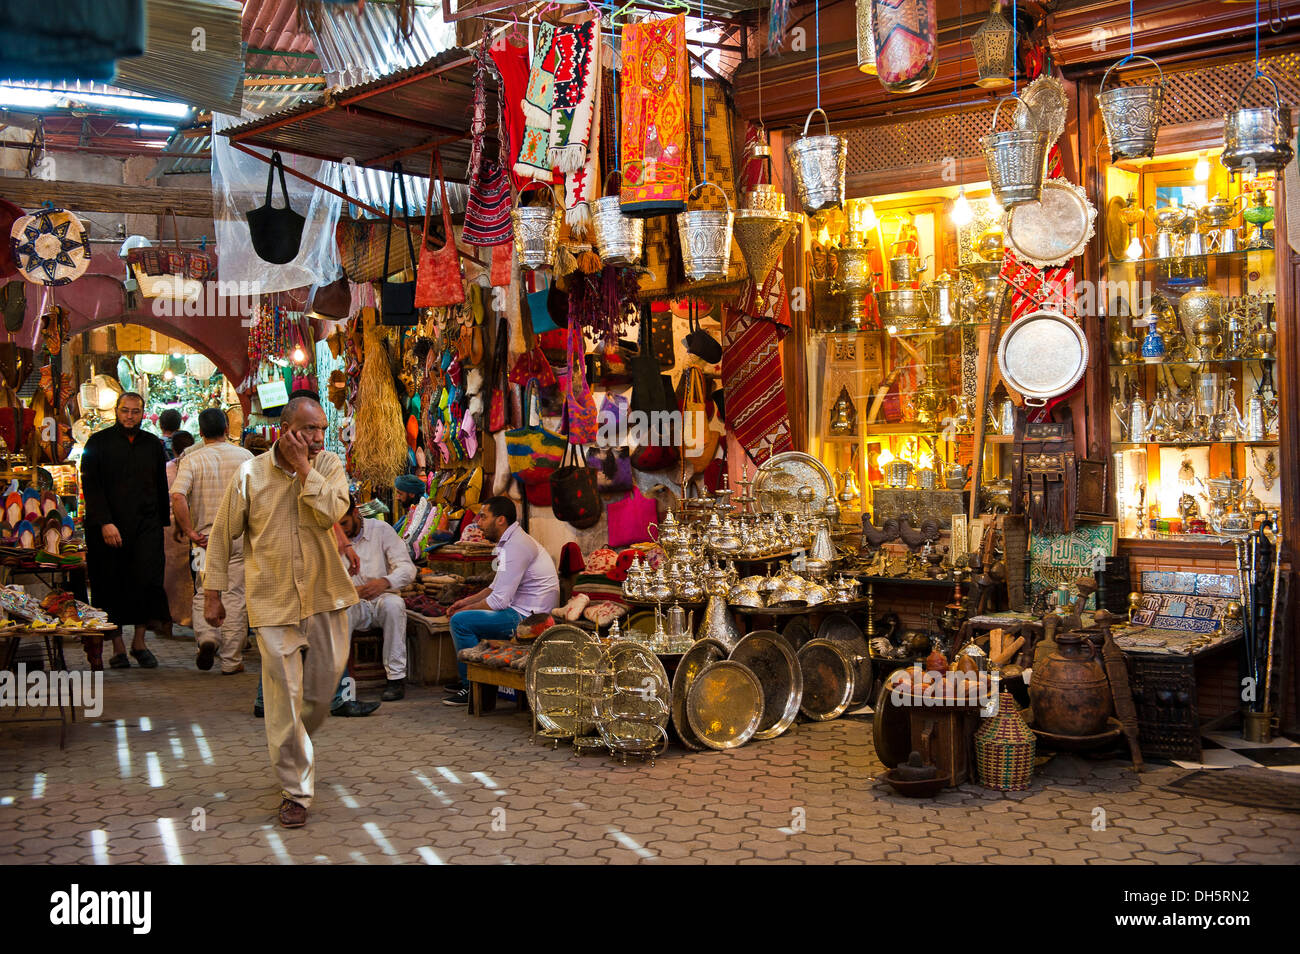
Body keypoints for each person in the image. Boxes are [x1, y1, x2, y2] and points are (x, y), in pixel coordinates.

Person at [203, 396, 357, 829]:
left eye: (322, 429)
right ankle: (296, 791)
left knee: (321, 697)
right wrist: (212, 593)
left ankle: (295, 741)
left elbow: (333, 511)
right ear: (285, 428)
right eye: (309, 429)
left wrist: (306, 469)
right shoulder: (250, 474)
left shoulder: (327, 467)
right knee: (283, 700)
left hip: (326, 596)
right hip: (271, 603)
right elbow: (220, 536)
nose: (317, 438)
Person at [80, 392, 171, 670]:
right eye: (125, 411)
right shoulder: (98, 443)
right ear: (116, 412)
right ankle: (118, 647)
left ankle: (139, 643)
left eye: (135, 411)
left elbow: (160, 486)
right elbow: (91, 486)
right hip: (108, 529)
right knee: (110, 584)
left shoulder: (152, 444)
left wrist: (162, 525)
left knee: (146, 582)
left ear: (143, 412)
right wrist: (105, 522)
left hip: (146, 527)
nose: (130, 416)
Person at [445, 496, 559, 706]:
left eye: (483, 517)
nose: (478, 522)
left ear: (500, 520)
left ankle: (471, 686)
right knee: (463, 615)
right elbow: (493, 587)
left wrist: (465, 610)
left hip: (530, 619)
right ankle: (474, 679)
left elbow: (498, 601)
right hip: (519, 610)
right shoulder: (508, 543)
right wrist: (465, 602)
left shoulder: (516, 546)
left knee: (460, 622)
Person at [171, 409, 253, 674]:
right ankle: (231, 660)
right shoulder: (245, 458)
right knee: (235, 597)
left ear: (201, 432)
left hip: (205, 540)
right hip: (238, 538)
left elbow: (177, 496)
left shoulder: (193, 460)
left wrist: (190, 531)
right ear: (227, 428)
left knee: (204, 592)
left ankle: (207, 637)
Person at [338, 500, 417, 701]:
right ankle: (342, 684)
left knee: (395, 606)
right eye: (336, 526)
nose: (342, 531)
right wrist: (351, 592)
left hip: (382, 599)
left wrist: (385, 582)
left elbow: (407, 569)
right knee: (341, 613)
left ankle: (396, 678)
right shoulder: (332, 538)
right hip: (352, 603)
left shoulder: (381, 530)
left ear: (356, 513)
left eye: (344, 524)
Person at [162, 430, 196, 634]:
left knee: (170, 576)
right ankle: (196, 619)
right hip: (193, 525)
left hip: (170, 528)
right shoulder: (197, 464)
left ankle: (167, 620)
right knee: (195, 574)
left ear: (173, 448)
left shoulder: (166, 469)